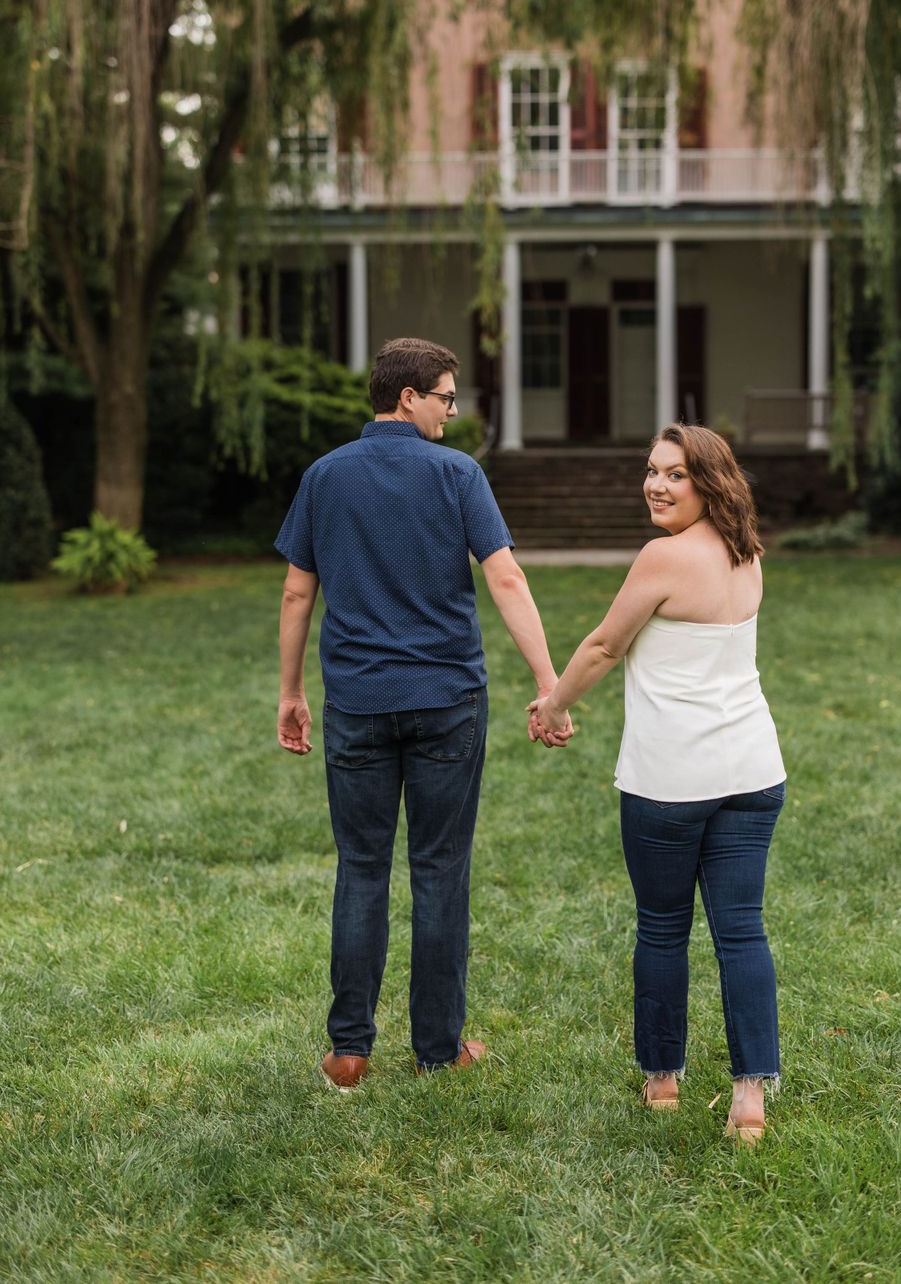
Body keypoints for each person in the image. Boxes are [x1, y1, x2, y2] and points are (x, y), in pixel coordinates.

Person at [275, 336, 565, 1089]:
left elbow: (297, 593)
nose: (451, 410)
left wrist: (291, 692)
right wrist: (548, 683)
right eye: (444, 395)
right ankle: (438, 1049)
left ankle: (348, 1051)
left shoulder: (325, 476)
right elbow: (504, 580)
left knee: (361, 871)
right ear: (407, 397)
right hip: (447, 704)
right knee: (440, 872)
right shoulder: (457, 475)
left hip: (358, 706)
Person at [530, 424, 785, 1143]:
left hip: (672, 780)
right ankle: (750, 1097)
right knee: (742, 931)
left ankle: (664, 1080)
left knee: (664, 929)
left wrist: (553, 705)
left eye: (675, 474)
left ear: (709, 483)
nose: (656, 485)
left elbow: (607, 644)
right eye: (651, 471)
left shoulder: (663, 558)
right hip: (754, 771)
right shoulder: (748, 553)